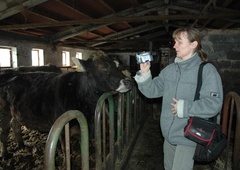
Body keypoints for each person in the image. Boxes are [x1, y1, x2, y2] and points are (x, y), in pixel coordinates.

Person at [134, 27, 223, 170]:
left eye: (179, 42)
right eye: (175, 42)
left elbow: (214, 104)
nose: (174, 45)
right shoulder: (170, 70)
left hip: (188, 137)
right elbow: (152, 91)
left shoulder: (207, 71)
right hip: (168, 137)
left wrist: (185, 108)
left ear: (194, 44)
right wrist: (144, 74)